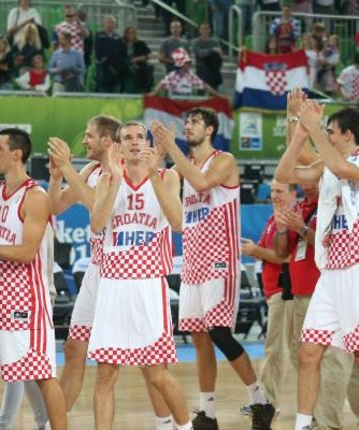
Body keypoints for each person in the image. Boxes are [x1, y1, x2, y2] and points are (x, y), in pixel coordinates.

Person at [48, 117, 177, 430]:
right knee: (75, 347)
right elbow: (55, 207)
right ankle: (54, 425)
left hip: (131, 273)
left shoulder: (127, 172)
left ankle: (165, 422)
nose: (84, 143)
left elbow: (98, 212)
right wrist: (55, 178)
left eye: (89, 137)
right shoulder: (91, 172)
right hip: (99, 271)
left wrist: (67, 169)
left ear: (108, 142)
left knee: (149, 366)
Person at [154, 109, 277, 429]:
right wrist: (156, 167)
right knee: (199, 338)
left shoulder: (224, 160)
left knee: (220, 333)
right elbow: (178, 221)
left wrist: (172, 150)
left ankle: (260, 401)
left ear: (209, 129)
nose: (188, 126)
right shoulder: (185, 168)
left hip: (220, 260)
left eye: (194, 122)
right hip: (193, 262)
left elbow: (203, 182)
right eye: (187, 122)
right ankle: (207, 411)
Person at [87, 121, 193, 430]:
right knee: (106, 373)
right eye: (128, 138)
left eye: (140, 137)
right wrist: (117, 180)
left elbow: (176, 222)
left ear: (148, 142)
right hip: (112, 285)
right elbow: (97, 224)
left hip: (148, 284)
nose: (135, 142)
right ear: (117, 145)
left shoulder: (167, 176)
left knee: (157, 372)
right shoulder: (108, 179)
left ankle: (185, 427)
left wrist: (153, 175)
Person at [0, 128, 66, 430]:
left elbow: (26, 252)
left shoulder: (35, 197)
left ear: (17, 154)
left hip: (25, 303)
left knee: (42, 377)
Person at [273, 101, 359, 430]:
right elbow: (284, 175)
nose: (329, 137)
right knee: (308, 352)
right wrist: (299, 136)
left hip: (356, 268)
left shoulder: (345, 163)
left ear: (348, 134)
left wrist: (313, 128)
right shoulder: (328, 163)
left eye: (332, 133)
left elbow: (343, 169)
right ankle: (304, 426)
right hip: (332, 271)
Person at [239, 181, 292, 410]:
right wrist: (254, 249)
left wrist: (255, 251)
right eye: (272, 191)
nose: (274, 195)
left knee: (276, 349)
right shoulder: (273, 220)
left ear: (292, 194)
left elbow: (285, 258)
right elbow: (263, 250)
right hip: (274, 292)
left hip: (285, 292)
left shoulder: (290, 220)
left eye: (280, 191)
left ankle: (267, 402)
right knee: (279, 348)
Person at [152, 48, 223, 98]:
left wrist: (217, 95)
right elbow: (162, 84)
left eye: (188, 62)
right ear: (180, 64)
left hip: (186, 102)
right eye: (186, 63)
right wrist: (154, 94)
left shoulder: (190, 75)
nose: (189, 64)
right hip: (173, 103)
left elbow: (204, 85)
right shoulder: (172, 75)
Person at [94, 15, 126, 93]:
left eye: (112, 23)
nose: (110, 24)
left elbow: (121, 53)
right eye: (108, 22)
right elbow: (99, 53)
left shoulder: (118, 37)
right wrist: (108, 65)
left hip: (116, 71)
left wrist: (116, 67)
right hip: (103, 69)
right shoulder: (99, 36)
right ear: (104, 23)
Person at [191, 23, 223, 91]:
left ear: (210, 30)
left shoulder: (214, 42)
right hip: (202, 67)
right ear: (199, 30)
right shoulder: (195, 42)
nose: (205, 31)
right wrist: (212, 50)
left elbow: (219, 54)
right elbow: (200, 54)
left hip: (213, 68)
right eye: (203, 29)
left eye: (207, 29)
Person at [124, 26, 153, 93]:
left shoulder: (141, 43)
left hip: (140, 71)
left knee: (140, 91)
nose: (131, 34)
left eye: (133, 32)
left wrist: (138, 59)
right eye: (129, 32)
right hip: (127, 71)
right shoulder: (123, 44)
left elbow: (149, 55)